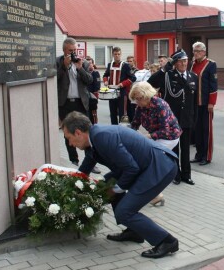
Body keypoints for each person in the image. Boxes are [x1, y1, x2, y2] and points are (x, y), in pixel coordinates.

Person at [62, 112, 179, 259]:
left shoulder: (101, 137)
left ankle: (167, 241)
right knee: (105, 187)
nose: (70, 144)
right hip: (143, 167)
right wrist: (72, 184)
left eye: (69, 139)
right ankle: (134, 231)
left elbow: (132, 168)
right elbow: (87, 165)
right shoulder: (94, 138)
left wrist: (115, 189)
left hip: (159, 168)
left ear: (78, 133)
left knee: (124, 211)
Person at [148, 49, 198, 185]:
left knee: (186, 148)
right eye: (181, 61)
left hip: (187, 117)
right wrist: (164, 69)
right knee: (174, 148)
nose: (184, 63)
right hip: (172, 119)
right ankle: (175, 173)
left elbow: (195, 101)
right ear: (175, 63)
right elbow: (150, 83)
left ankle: (186, 175)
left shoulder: (193, 76)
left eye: (186, 61)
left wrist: (195, 118)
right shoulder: (167, 76)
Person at [56, 38, 93, 166]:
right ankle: (74, 161)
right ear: (64, 50)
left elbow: (89, 81)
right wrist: (64, 67)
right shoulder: (58, 62)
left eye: (74, 50)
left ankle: (91, 161)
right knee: (68, 132)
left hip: (81, 103)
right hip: (65, 103)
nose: (73, 53)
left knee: (87, 131)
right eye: (70, 51)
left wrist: (80, 68)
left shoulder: (82, 62)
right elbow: (54, 80)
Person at [189, 42, 218, 166]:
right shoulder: (192, 65)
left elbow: (214, 85)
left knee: (206, 130)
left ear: (204, 52)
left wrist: (211, 103)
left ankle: (207, 156)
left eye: (198, 51)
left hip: (206, 103)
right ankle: (199, 154)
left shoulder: (211, 64)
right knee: (197, 131)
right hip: (195, 104)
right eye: (194, 51)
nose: (196, 53)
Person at [103, 47, 136, 125]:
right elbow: (105, 75)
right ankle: (114, 129)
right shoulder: (109, 64)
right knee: (112, 112)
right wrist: (106, 81)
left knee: (122, 113)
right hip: (111, 92)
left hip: (122, 92)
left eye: (118, 54)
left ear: (121, 54)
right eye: (115, 54)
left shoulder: (125, 65)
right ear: (112, 55)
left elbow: (133, 78)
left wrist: (123, 84)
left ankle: (121, 129)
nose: (117, 56)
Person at [85, 56, 101, 125]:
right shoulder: (84, 73)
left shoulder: (95, 73)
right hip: (84, 97)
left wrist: (94, 97)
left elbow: (97, 86)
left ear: (93, 64)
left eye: (90, 63)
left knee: (93, 114)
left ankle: (94, 125)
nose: (89, 65)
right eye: (87, 63)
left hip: (92, 97)